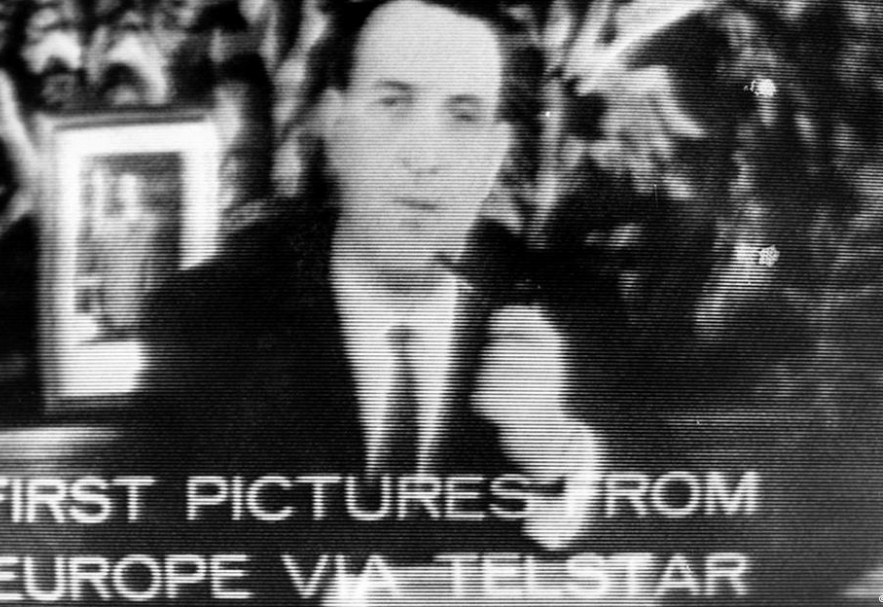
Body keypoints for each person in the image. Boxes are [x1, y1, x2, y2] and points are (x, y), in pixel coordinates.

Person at [141, 0, 602, 551]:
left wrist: (548, 447)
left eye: (463, 115)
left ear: (494, 154)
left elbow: (662, 547)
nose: (425, 157)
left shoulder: (567, 305)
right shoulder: (209, 316)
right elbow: (161, 547)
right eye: (392, 104)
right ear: (334, 126)